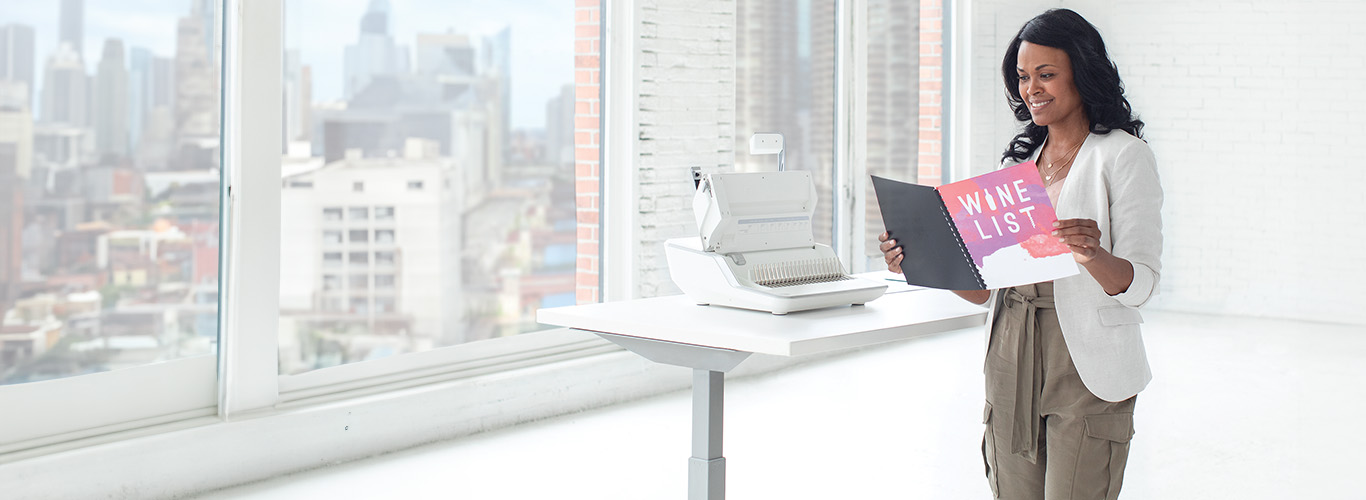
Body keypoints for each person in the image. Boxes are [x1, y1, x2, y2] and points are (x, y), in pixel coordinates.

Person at [878, 8, 1162, 500]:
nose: (1032, 88)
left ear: (1083, 71)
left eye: (1047, 74)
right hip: (1010, 347)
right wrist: (920, 259)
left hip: (1084, 358)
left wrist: (1092, 254)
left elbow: (1141, 286)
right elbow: (983, 291)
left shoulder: (1122, 155)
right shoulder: (1017, 164)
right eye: (1024, 77)